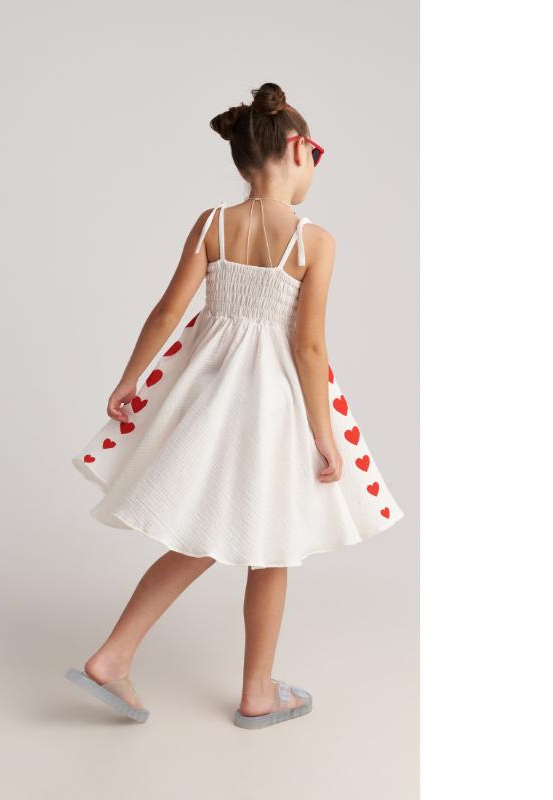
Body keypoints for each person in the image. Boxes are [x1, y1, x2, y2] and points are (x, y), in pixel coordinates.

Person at [66, 82, 405, 729]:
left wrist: (130, 379)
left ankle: (115, 656)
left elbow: (168, 311)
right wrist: (324, 434)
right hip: (274, 409)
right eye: (316, 155)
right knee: (272, 545)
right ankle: (253, 691)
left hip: (210, 401)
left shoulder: (213, 223)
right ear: (298, 149)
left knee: (198, 537)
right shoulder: (313, 241)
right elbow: (308, 347)